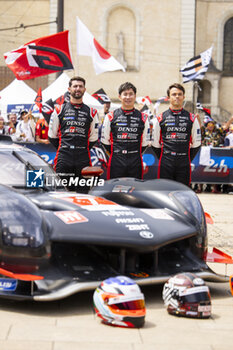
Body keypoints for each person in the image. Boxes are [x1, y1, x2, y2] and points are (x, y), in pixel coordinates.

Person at [48, 76, 99, 191]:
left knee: (83, 194)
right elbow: (52, 136)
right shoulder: (58, 110)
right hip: (64, 157)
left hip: (83, 158)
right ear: (69, 89)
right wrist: (65, 148)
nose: (78, 89)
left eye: (80, 86)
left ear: (84, 89)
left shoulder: (92, 112)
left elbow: (93, 138)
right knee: (62, 193)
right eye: (75, 86)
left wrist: (80, 149)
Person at [151, 83, 201, 186]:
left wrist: (186, 158)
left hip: (184, 163)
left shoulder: (192, 118)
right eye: (174, 94)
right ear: (168, 98)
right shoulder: (160, 118)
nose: (177, 96)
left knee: (182, 193)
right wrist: (165, 157)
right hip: (166, 163)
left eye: (179, 94)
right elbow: (155, 143)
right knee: (165, 193)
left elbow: (197, 143)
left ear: (184, 97)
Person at [101, 82, 150, 179]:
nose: (128, 97)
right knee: (115, 189)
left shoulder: (143, 117)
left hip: (135, 160)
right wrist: (117, 153)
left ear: (135, 96)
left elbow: (145, 142)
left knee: (135, 190)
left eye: (131, 94)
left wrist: (133, 153)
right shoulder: (110, 116)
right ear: (120, 97)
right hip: (117, 160)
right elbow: (104, 140)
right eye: (125, 94)